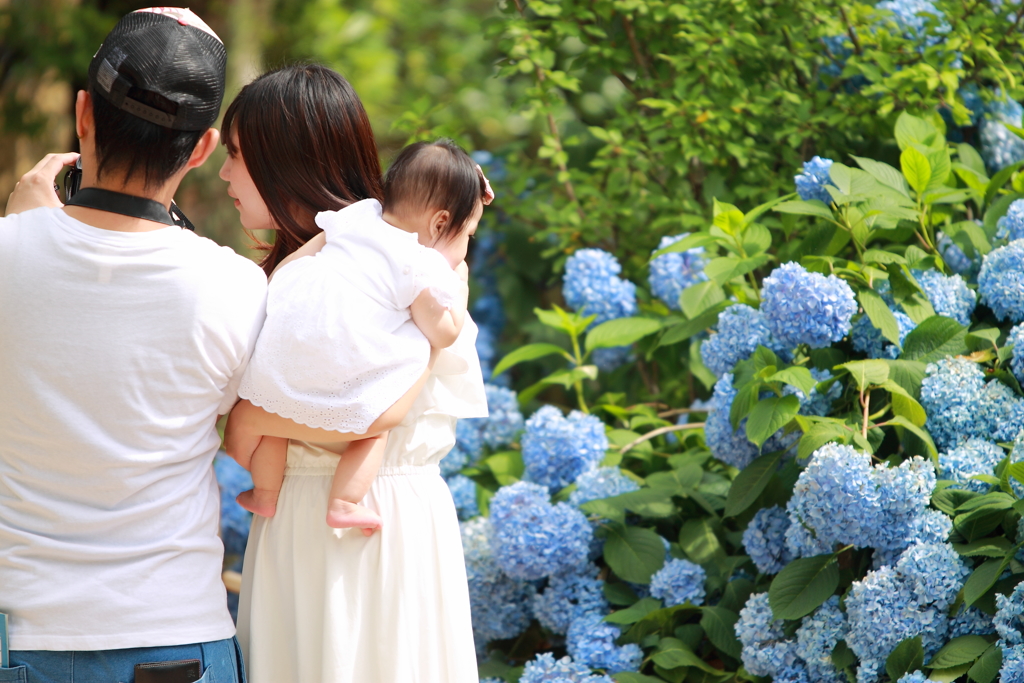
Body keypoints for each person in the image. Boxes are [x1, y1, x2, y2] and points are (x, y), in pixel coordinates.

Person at [0, 9, 266, 681]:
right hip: (177, 639)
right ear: (203, 149)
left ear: (83, 113)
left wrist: (22, 230)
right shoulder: (236, 288)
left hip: (23, 637)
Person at [219, 65, 486, 683]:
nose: (225, 173)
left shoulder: (415, 275)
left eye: (236, 154)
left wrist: (253, 415)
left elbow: (379, 406)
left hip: (375, 531)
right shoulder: (297, 279)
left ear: (285, 160)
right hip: (299, 531)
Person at [231, 140, 493, 535]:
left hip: (295, 336)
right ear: (440, 224)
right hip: (346, 355)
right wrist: (461, 285)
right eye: (467, 235)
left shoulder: (359, 216)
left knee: (281, 412)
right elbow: (444, 332)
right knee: (373, 426)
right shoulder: (420, 266)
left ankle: (265, 493)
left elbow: (304, 257)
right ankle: (344, 502)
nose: (464, 248)